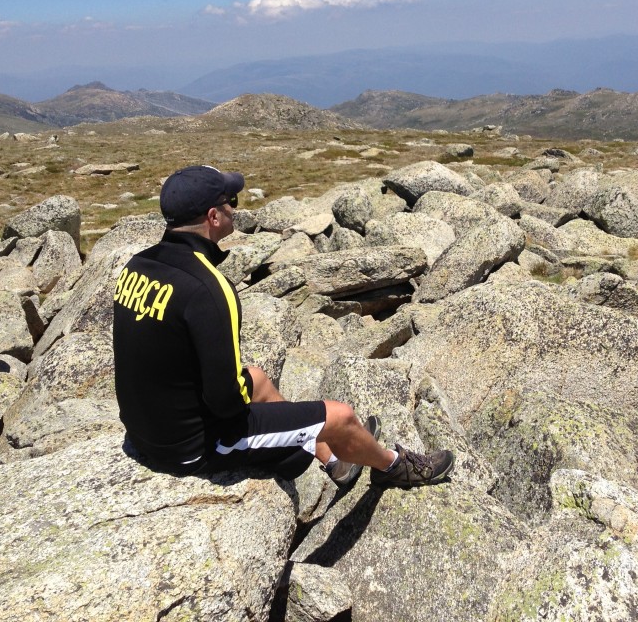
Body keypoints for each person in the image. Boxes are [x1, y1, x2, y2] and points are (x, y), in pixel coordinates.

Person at [113, 164, 454, 488]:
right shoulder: (206, 289)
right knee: (341, 417)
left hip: (147, 431)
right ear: (213, 217)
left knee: (257, 378)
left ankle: (334, 461)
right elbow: (226, 402)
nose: (236, 208)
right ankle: (393, 467)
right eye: (230, 202)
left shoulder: (138, 265)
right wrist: (290, 430)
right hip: (193, 447)